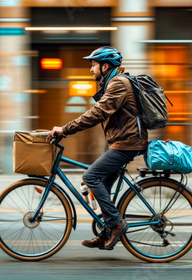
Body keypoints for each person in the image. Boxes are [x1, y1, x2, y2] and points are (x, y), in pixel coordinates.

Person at [49, 46, 148, 250]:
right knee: (101, 183)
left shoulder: (118, 84)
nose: (90, 70)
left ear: (105, 66)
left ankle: (116, 224)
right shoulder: (113, 83)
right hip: (122, 142)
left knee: (90, 177)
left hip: (127, 144)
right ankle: (106, 232)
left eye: (93, 65)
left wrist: (65, 129)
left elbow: (98, 113)